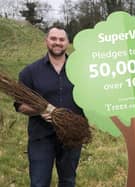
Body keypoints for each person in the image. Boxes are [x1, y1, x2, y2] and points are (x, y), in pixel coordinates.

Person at [14, 26, 83, 187]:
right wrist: (39, 109)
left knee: (68, 181)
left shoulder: (81, 69)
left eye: (61, 39)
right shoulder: (30, 72)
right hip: (41, 137)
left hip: (72, 136)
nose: (57, 43)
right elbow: (19, 105)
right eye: (53, 39)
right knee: (39, 183)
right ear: (46, 41)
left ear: (67, 42)